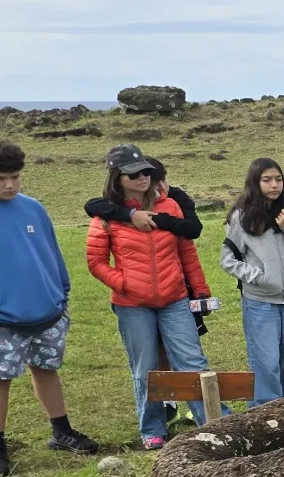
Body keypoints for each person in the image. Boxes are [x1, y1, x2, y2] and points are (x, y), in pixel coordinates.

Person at [0, 139, 98, 476]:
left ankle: (62, 431)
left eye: (15, 176)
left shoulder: (33, 208)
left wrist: (62, 295)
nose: (10, 184)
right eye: (0, 178)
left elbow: (50, 252)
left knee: (47, 370)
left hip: (48, 312)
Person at [85, 144, 212, 449]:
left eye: (146, 171)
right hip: (132, 305)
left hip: (175, 298)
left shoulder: (170, 206)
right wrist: (124, 282)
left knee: (192, 360)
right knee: (146, 368)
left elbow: (187, 252)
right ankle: (153, 428)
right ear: (118, 178)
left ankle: (211, 421)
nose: (143, 177)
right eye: (134, 173)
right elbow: (95, 261)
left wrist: (201, 289)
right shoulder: (106, 214)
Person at [221, 158, 284, 406]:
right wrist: (259, 277)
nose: (274, 185)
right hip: (260, 302)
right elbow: (227, 260)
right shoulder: (242, 216)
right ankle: (265, 413)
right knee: (266, 361)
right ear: (255, 182)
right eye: (267, 180)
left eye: (278, 179)